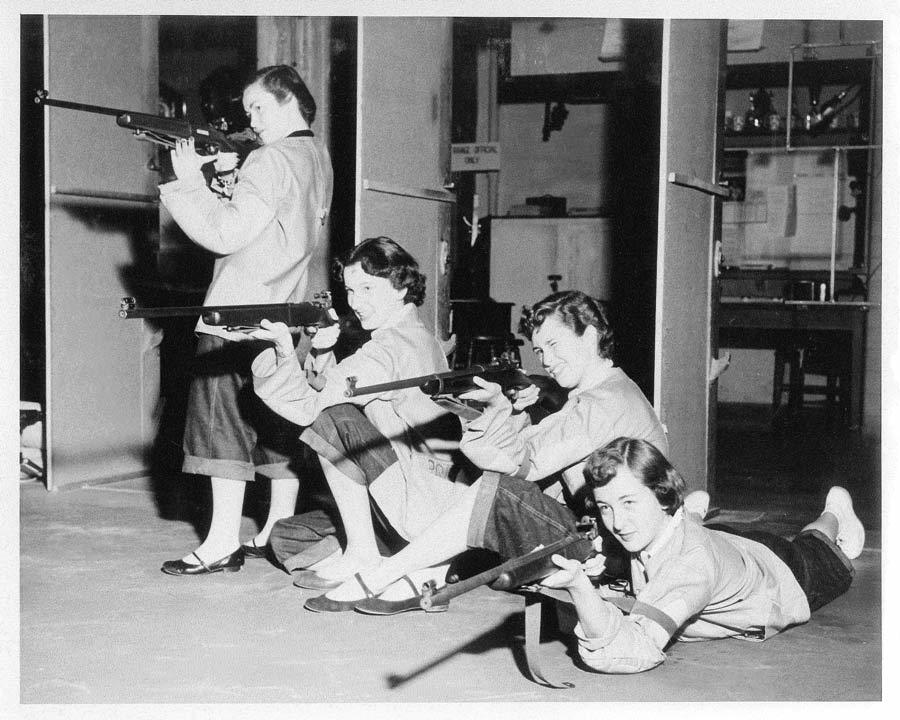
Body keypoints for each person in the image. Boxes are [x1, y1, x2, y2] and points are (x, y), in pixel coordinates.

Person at [301, 290, 669, 612]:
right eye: (540, 350)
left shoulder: (601, 402)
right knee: (483, 486)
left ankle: (389, 571)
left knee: (499, 490)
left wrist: (495, 411)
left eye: (555, 345)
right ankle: (422, 570)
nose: (546, 359)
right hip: (598, 536)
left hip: (605, 553)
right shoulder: (605, 390)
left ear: (590, 335)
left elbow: (525, 465)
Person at [159, 65, 333, 575]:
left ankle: (219, 545)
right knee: (275, 425)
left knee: (219, 429)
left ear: (287, 102)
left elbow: (226, 235)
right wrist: (233, 180)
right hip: (284, 310)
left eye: (257, 107)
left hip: (235, 314)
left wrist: (190, 182)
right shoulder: (314, 156)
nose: (249, 119)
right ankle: (275, 533)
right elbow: (270, 227)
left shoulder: (272, 157)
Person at [250, 237, 469, 591]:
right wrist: (322, 353)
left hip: (416, 498)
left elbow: (310, 408)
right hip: (424, 492)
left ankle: (364, 552)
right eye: (351, 290)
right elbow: (338, 382)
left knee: (331, 420)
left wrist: (282, 351)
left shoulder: (389, 347)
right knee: (285, 537)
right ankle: (392, 554)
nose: (356, 302)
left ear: (401, 287)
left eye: (368, 288)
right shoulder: (417, 334)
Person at [539, 437, 865, 673]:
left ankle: (835, 511)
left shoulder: (688, 569)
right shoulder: (647, 533)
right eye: (605, 508)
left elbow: (632, 650)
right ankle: (691, 513)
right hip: (722, 543)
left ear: (663, 496)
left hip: (783, 570)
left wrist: (580, 588)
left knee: (819, 543)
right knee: (692, 540)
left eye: (629, 503)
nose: (617, 523)